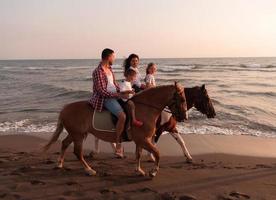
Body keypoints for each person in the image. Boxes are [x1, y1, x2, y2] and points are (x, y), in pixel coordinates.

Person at [89, 48, 127, 158]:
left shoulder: (110, 69)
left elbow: (113, 85)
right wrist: (118, 95)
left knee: (131, 106)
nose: (114, 59)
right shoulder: (98, 71)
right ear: (108, 57)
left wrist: (123, 91)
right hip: (104, 99)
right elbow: (101, 91)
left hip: (114, 95)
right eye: (113, 57)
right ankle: (118, 144)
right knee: (122, 116)